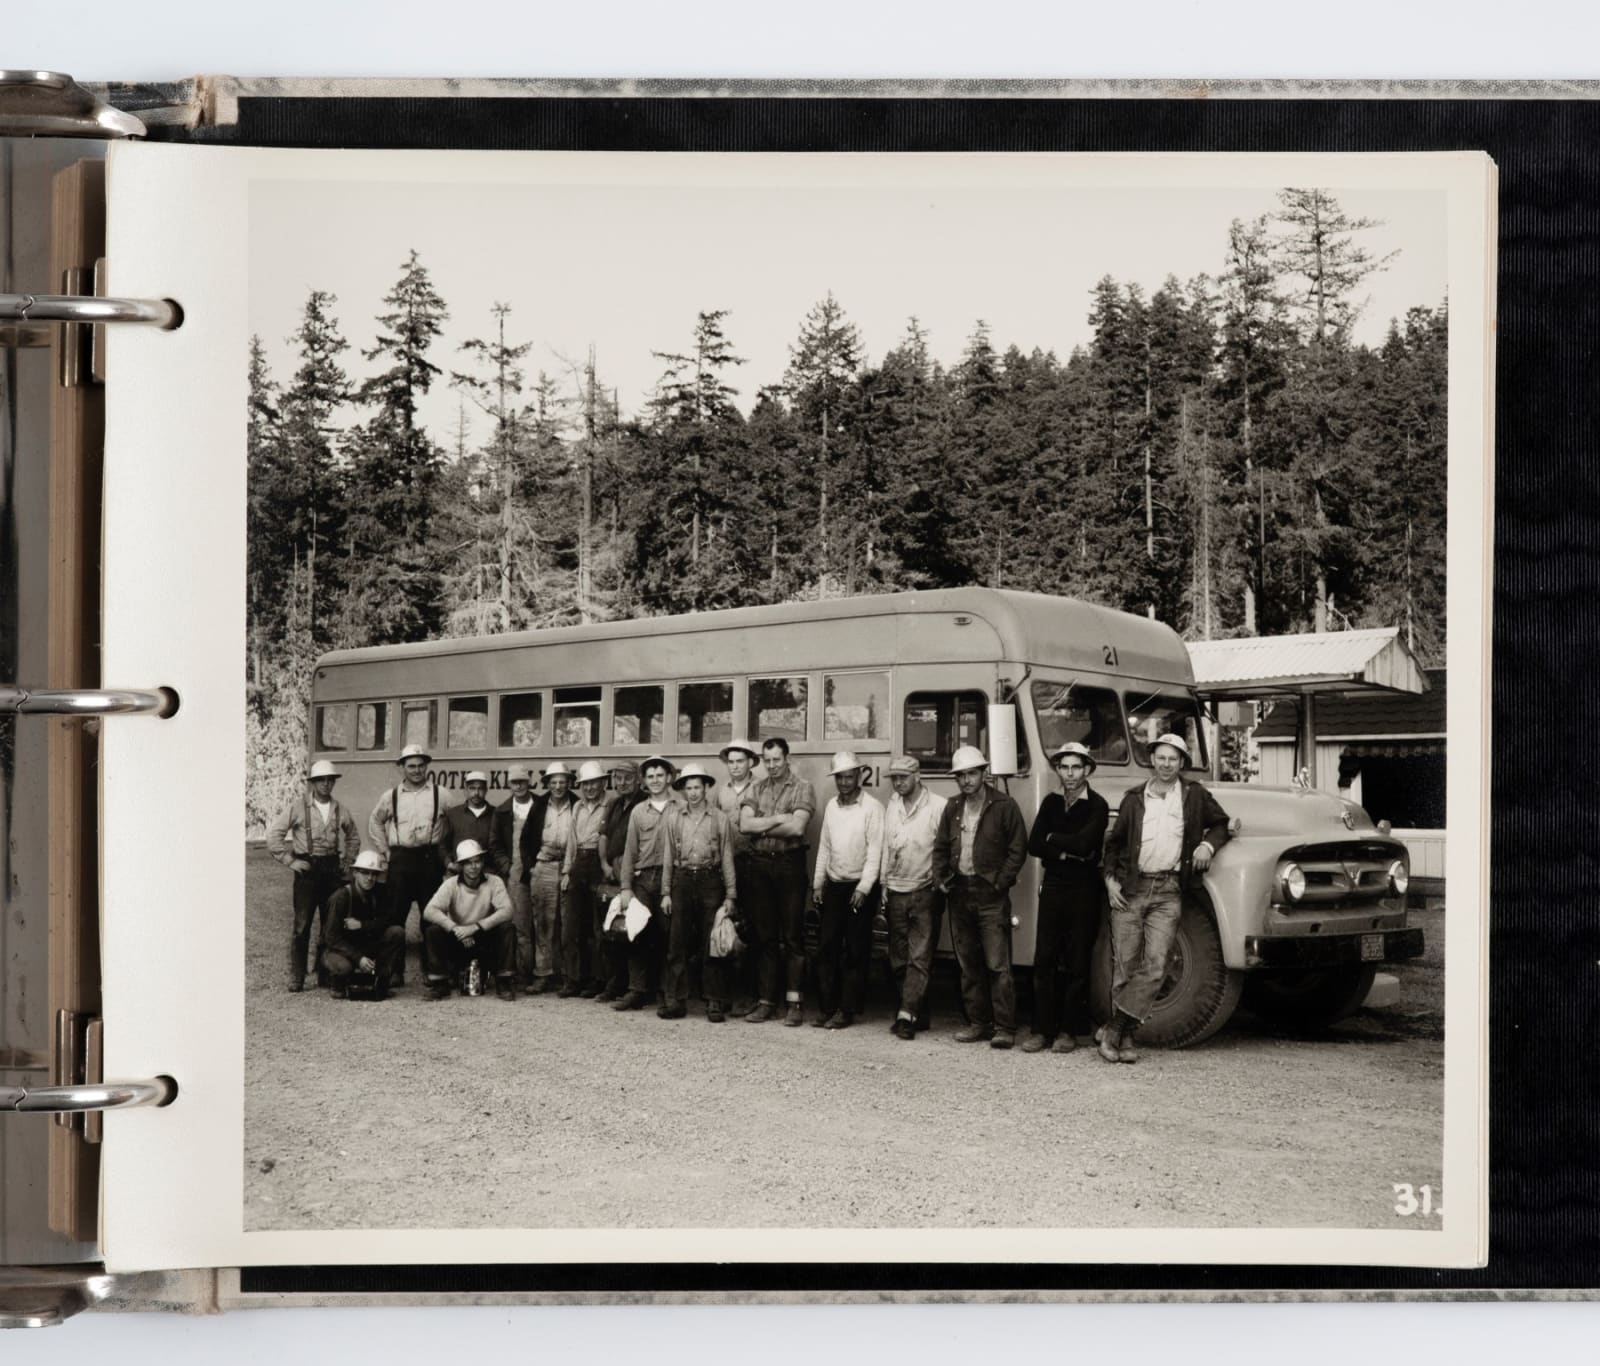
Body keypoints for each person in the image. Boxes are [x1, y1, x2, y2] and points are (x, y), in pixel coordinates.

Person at [1100, 732, 1231, 1064]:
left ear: (1182, 763)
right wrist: (1110, 881)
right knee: (1125, 965)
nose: (1166, 764)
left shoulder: (1194, 796)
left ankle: (1114, 1029)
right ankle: (1126, 1038)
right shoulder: (1133, 799)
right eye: (1161, 757)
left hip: (1169, 890)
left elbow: (1221, 824)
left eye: (1173, 759)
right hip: (1130, 889)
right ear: (1152, 760)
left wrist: (1207, 845)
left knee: (1156, 965)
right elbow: (1113, 846)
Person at [931, 745, 1028, 1049]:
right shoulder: (953, 807)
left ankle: (1004, 1027)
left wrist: (1000, 883)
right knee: (968, 962)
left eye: (971, 773)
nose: (966, 780)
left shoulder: (1004, 805)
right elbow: (940, 848)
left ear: (983, 773)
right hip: (959, 892)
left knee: (997, 963)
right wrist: (942, 878)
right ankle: (978, 1023)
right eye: (960, 775)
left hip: (990, 895)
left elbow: (1017, 849)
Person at [1023, 742, 1111, 1054]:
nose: (1070, 773)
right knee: (1044, 958)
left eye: (1076, 767)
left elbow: (1086, 845)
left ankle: (1068, 1031)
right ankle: (1040, 1030)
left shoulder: (1098, 806)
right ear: (1058, 770)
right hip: (1055, 886)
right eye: (1064, 767)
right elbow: (1033, 844)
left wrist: (1054, 840)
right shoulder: (1050, 802)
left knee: (1077, 960)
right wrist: (1065, 849)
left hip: (1084, 888)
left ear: (1087, 770)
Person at [739, 737, 817, 1026]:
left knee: (793, 937)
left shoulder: (802, 787)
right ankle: (766, 1002)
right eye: (767, 760)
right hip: (759, 866)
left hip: (790, 865)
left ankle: (794, 1003)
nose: (772, 765)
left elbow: (798, 827)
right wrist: (779, 818)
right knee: (765, 937)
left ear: (787, 759)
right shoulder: (756, 787)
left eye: (777, 759)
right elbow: (745, 825)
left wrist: (764, 822)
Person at [266, 758, 361, 992]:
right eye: (321, 780)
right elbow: (273, 836)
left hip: (331, 868)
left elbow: (354, 837)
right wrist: (291, 861)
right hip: (308, 869)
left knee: (329, 924)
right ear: (313, 783)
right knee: (302, 924)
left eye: (330, 780)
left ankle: (324, 972)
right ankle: (297, 976)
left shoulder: (340, 809)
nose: (326, 784)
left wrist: (347, 863)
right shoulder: (298, 808)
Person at [809, 752, 885, 1030]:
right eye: (839, 777)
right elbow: (825, 846)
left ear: (859, 777)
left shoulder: (872, 808)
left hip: (859, 887)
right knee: (827, 946)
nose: (843, 782)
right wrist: (818, 883)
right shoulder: (831, 806)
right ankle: (827, 1007)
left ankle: (847, 1009)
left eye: (848, 776)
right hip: (834, 885)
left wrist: (865, 888)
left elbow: (876, 851)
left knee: (855, 950)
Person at [661, 762, 738, 1022]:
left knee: (712, 941)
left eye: (697, 787)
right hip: (682, 880)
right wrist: (665, 892)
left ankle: (714, 1000)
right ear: (682, 791)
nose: (693, 792)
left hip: (710, 881)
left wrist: (730, 895)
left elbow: (727, 856)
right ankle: (676, 999)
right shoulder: (674, 819)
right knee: (677, 941)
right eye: (688, 788)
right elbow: (669, 856)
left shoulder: (719, 819)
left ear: (706, 788)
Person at [368, 742, 448, 986]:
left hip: (429, 859)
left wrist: (444, 854)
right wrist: (385, 851)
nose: (416, 770)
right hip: (401, 859)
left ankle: (432, 971)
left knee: (431, 916)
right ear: (402, 767)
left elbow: (452, 823)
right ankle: (394, 971)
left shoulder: (441, 794)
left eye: (421, 766)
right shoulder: (390, 796)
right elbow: (375, 822)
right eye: (411, 766)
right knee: (395, 917)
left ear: (427, 767)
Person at [880, 755, 947, 1040]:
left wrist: (938, 882)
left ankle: (906, 1015)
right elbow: (886, 844)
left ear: (918, 776)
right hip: (895, 890)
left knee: (919, 957)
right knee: (897, 958)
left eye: (903, 777)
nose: (898, 783)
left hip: (924, 891)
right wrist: (884, 882)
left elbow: (943, 850)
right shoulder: (893, 804)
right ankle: (919, 1011)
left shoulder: (939, 806)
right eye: (894, 778)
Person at [615, 755, 677, 1012]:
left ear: (669, 778)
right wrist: (626, 887)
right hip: (643, 878)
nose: (655, 781)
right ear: (644, 781)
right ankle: (637, 990)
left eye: (660, 776)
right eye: (650, 776)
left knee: (668, 936)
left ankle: (666, 993)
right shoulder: (639, 811)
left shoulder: (680, 807)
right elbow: (630, 851)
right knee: (637, 933)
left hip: (671, 879)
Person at [421, 839, 517, 1001]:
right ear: (461, 866)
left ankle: (504, 981)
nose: (474, 867)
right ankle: (439, 983)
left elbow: (507, 910)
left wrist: (476, 927)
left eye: (477, 861)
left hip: (482, 938)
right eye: (468, 863)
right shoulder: (451, 884)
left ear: (482, 862)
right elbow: (429, 911)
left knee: (507, 928)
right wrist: (455, 928)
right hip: (458, 939)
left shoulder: (494, 882)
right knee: (433, 931)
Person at [519, 760, 575, 994]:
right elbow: (525, 841)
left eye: (563, 782)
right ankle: (542, 974)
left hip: (568, 867)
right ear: (547, 784)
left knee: (567, 923)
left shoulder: (577, 804)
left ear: (569, 783)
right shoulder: (539, 805)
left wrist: (570, 870)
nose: (559, 786)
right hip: (544, 866)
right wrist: (532, 867)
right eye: (554, 782)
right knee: (543, 923)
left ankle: (566, 976)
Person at [322, 849, 407, 1000]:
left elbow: (387, 920)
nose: (370, 878)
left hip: (363, 944)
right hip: (339, 949)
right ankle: (334, 981)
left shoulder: (376, 893)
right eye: (365, 873)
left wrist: (362, 925)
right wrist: (359, 958)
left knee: (396, 932)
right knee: (344, 968)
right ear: (355, 873)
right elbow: (331, 937)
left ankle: (381, 980)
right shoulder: (341, 897)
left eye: (374, 874)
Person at [716, 739, 761, 1013]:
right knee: (729, 927)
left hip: (754, 864)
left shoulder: (760, 788)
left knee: (753, 929)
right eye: (731, 762)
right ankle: (728, 993)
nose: (735, 766)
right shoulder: (722, 792)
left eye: (740, 761)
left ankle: (751, 994)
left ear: (750, 763)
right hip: (728, 865)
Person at [595, 760, 646, 1002]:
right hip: (611, 873)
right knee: (610, 930)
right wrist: (604, 864)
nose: (622, 783)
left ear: (638, 779)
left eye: (627, 778)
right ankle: (614, 984)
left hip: (633, 875)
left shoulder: (643, 803)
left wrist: (628, 870)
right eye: (618, 778)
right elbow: (603, 836)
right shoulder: (614, 804)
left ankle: (636, 989)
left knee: (633, 930)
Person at [563, 760, 611, 998]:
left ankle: (596, 980)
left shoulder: (609, 805)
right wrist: (566, 871)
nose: (590, 788)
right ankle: (574, 980)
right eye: (585, 784)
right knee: (573, 927)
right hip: (578, 863)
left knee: (596, 926)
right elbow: (571, 841)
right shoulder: (577, 807)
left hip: (597, 863)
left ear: (603, 783)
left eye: (594, 783)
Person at [491, 765, 539, 990]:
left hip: (541, 871)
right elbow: (495, 845)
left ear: (529, 782)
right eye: (514, 782)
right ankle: (523, 973)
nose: (518, 786)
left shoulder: (541, 805)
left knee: (545, 924)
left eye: (522, 781)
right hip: (516, 874)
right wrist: (507, 867)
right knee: (520, 926)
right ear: (509, 785)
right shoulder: (501, 811)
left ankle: (548, 973)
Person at [440, 770, 496, 875]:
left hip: (488, 873)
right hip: (459, 873)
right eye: (472, 788)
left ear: (486, 790)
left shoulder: (496, 814)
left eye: (480, 789)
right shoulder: (453, 815)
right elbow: (443, 846)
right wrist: (450, 864)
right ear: (465, 790)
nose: (476, 793)